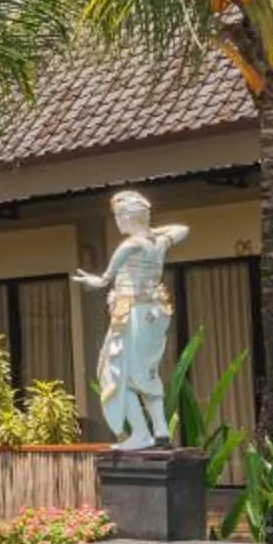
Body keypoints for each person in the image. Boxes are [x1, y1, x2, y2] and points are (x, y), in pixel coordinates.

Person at [74, 191, 188, 450]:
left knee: (117, 375)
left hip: (132, 316)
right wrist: (149, 229)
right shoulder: (157, 242)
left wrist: (95, 281)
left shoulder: (130, 245)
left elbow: (105, 278)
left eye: (119, 216)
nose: (117, 222)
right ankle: (160, 431)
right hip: (153, 315)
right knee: (147, 374)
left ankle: (140, 433)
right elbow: (182, 229)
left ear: (128, 217)